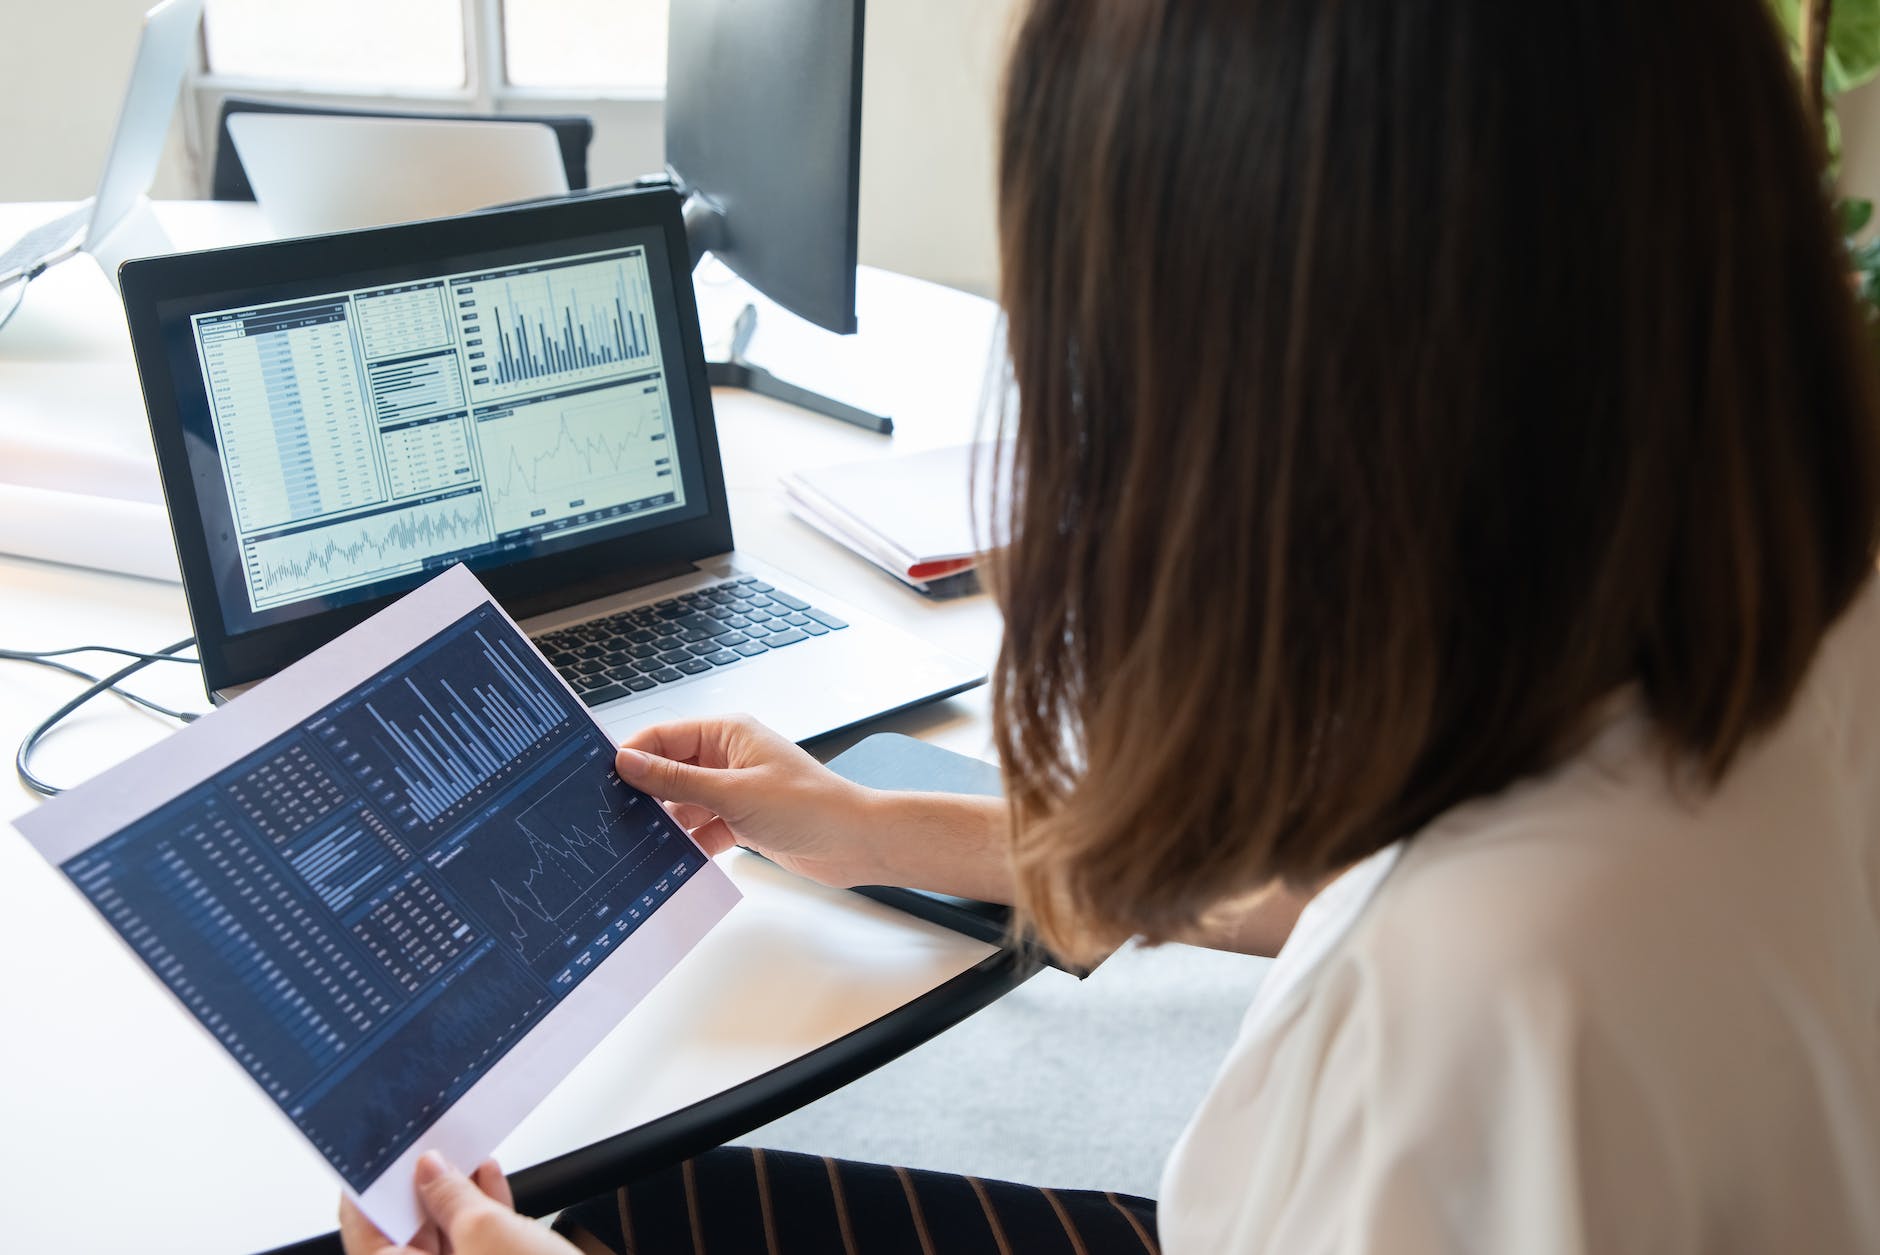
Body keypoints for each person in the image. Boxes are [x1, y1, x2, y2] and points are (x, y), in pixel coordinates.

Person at [340, 0, 1880, 1250]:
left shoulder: (1461, 1030)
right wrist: (871, 824)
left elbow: (1406, 947)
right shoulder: (1792, 622)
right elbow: (1344, 878)